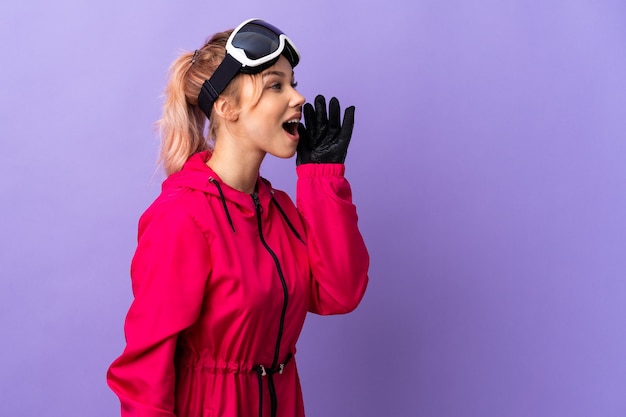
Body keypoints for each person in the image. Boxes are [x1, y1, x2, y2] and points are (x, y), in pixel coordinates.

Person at [106, 18, 369, 417]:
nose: (298, 98)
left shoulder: (279, 210)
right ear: (227, 108)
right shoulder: (182, 217)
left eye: (293, 82)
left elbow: (339, 292)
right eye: (275, 85)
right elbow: (143, 375)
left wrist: (321, 180)